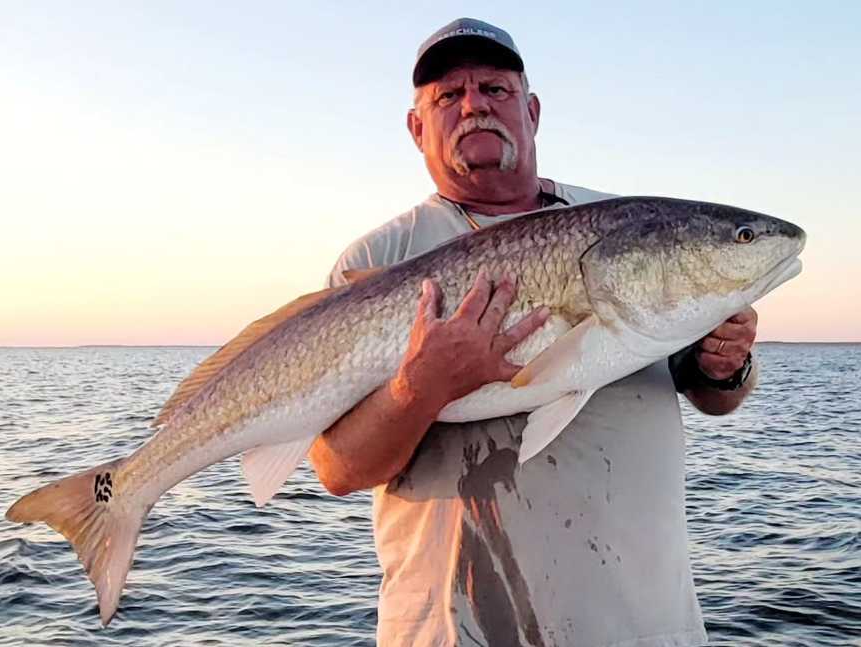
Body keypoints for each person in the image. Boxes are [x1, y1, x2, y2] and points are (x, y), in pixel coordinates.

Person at [308, 17, 758, 647]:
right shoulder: (379, 261)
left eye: (495, 89)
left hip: (643, 619)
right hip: (451, 628)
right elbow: (337, 468)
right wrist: (420, 386)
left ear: (533, 110)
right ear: (417, 128)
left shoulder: (632, 230)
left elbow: (716, 392)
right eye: (448, 95)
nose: (474, 106)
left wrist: (726, 363)